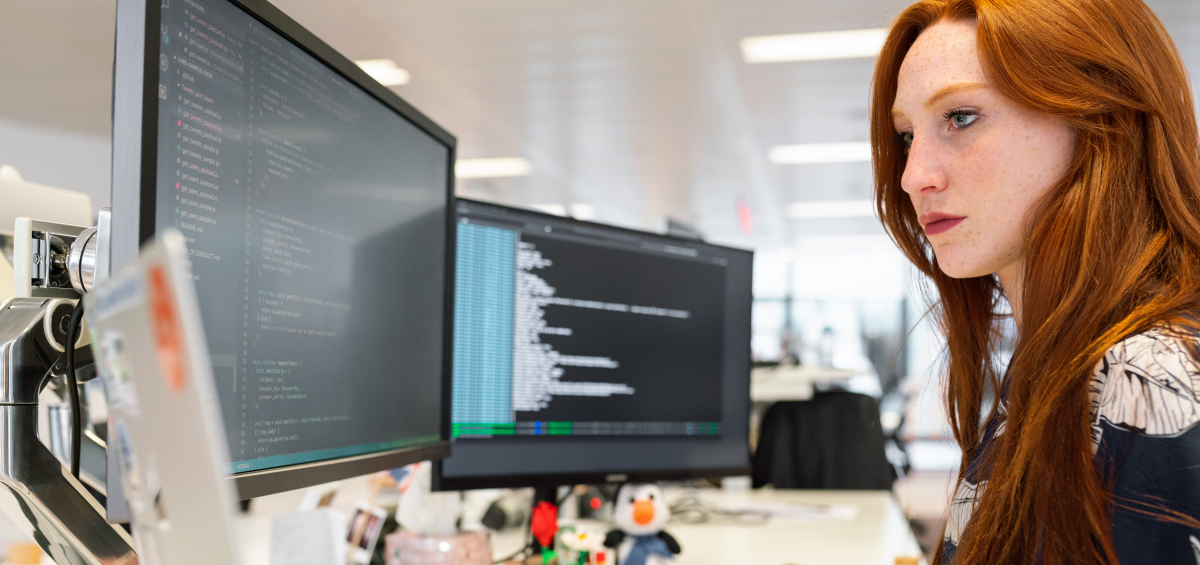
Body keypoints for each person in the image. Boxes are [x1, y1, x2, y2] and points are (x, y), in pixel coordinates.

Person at [871, 0, 1200, 563]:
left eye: (960, 117)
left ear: (1102, 119)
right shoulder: (1057, 360)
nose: (912, 176)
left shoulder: (1149, 375)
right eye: (906, 136)